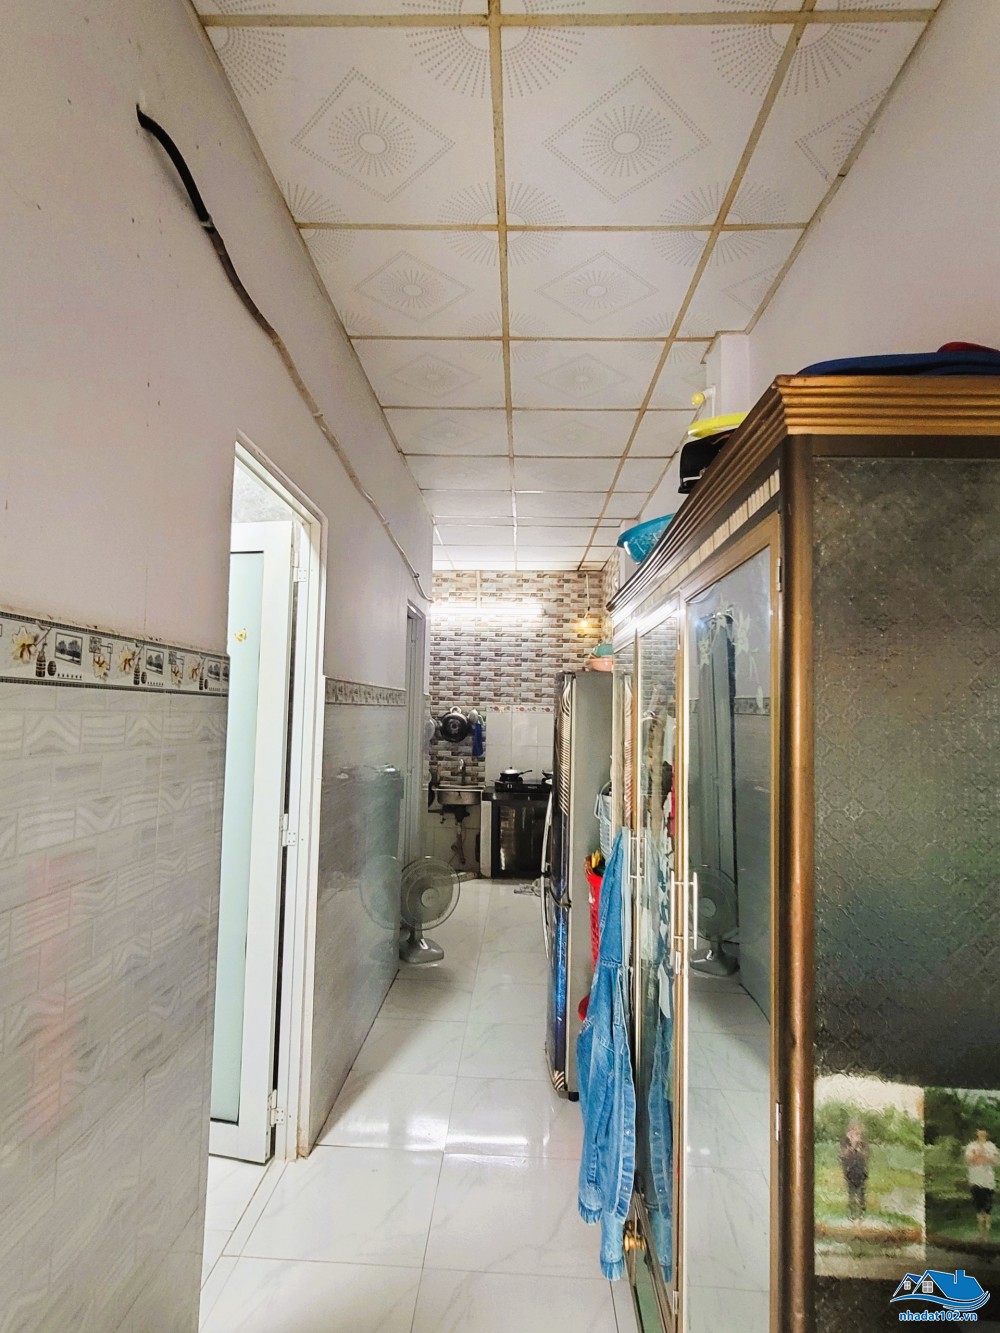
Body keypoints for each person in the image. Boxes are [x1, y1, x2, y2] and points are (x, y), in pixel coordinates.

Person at [964, 1128, 999, 1240]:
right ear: (977, 1133)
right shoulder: (971, 1146)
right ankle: (981, 1233)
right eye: (979, 1132)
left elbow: (996, 1161)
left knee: (988, 1208)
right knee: (978, 1207)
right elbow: (968, 1160)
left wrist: (983, 1158)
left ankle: (987, 1234)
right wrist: (980, 1157)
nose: (981, 1135)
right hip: (975, 1180)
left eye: (983, 1133)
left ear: (986, 1134)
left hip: (988, 1181)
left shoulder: (991, 1146)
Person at [838, 1121, 869, 1223]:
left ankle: (861, 1214)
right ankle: (852, 1215)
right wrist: (851, 1148)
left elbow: (866, 1156)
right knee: (851, 1194)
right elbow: (842, 1155)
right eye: (853, 1134)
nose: (855, 1136)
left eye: (857, 1133)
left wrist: (858, 1149)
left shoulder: (862, 1144)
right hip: (850, 1171)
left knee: (861, 1194)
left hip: (861, 1171)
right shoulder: (845, 1144)